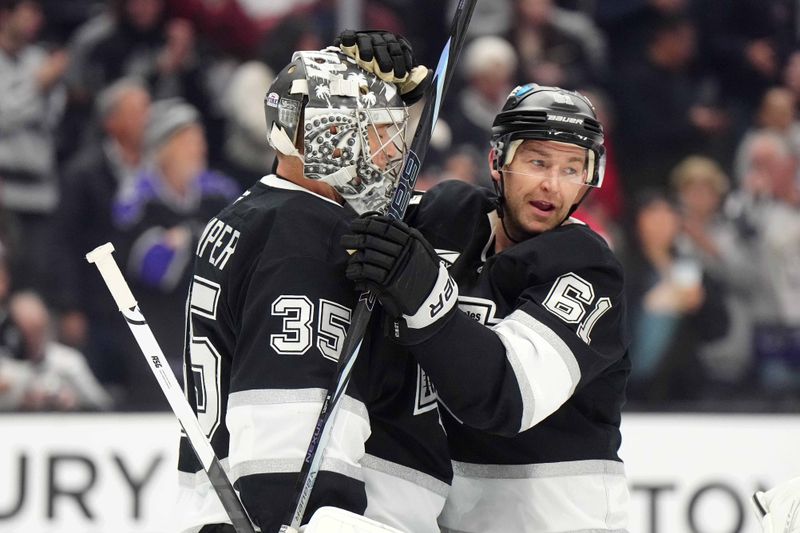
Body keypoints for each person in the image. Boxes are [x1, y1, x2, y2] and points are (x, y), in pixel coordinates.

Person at [175, 43, 451, 533]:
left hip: (222, 506)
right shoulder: (308, 237)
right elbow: (288, 424)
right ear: (329, 135)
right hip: (286, 515)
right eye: (377, 131)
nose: (391, 152)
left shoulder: (248, 215)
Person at [342, 82, 631, 532]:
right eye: (538, 162)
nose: (552, 185)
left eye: (572, 168)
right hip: (450, 513)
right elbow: (349, 213)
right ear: (498, 161)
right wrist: (366, 94)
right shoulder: (447, 215)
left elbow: (505, 397)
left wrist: (423, 293)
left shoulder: (588, 271)